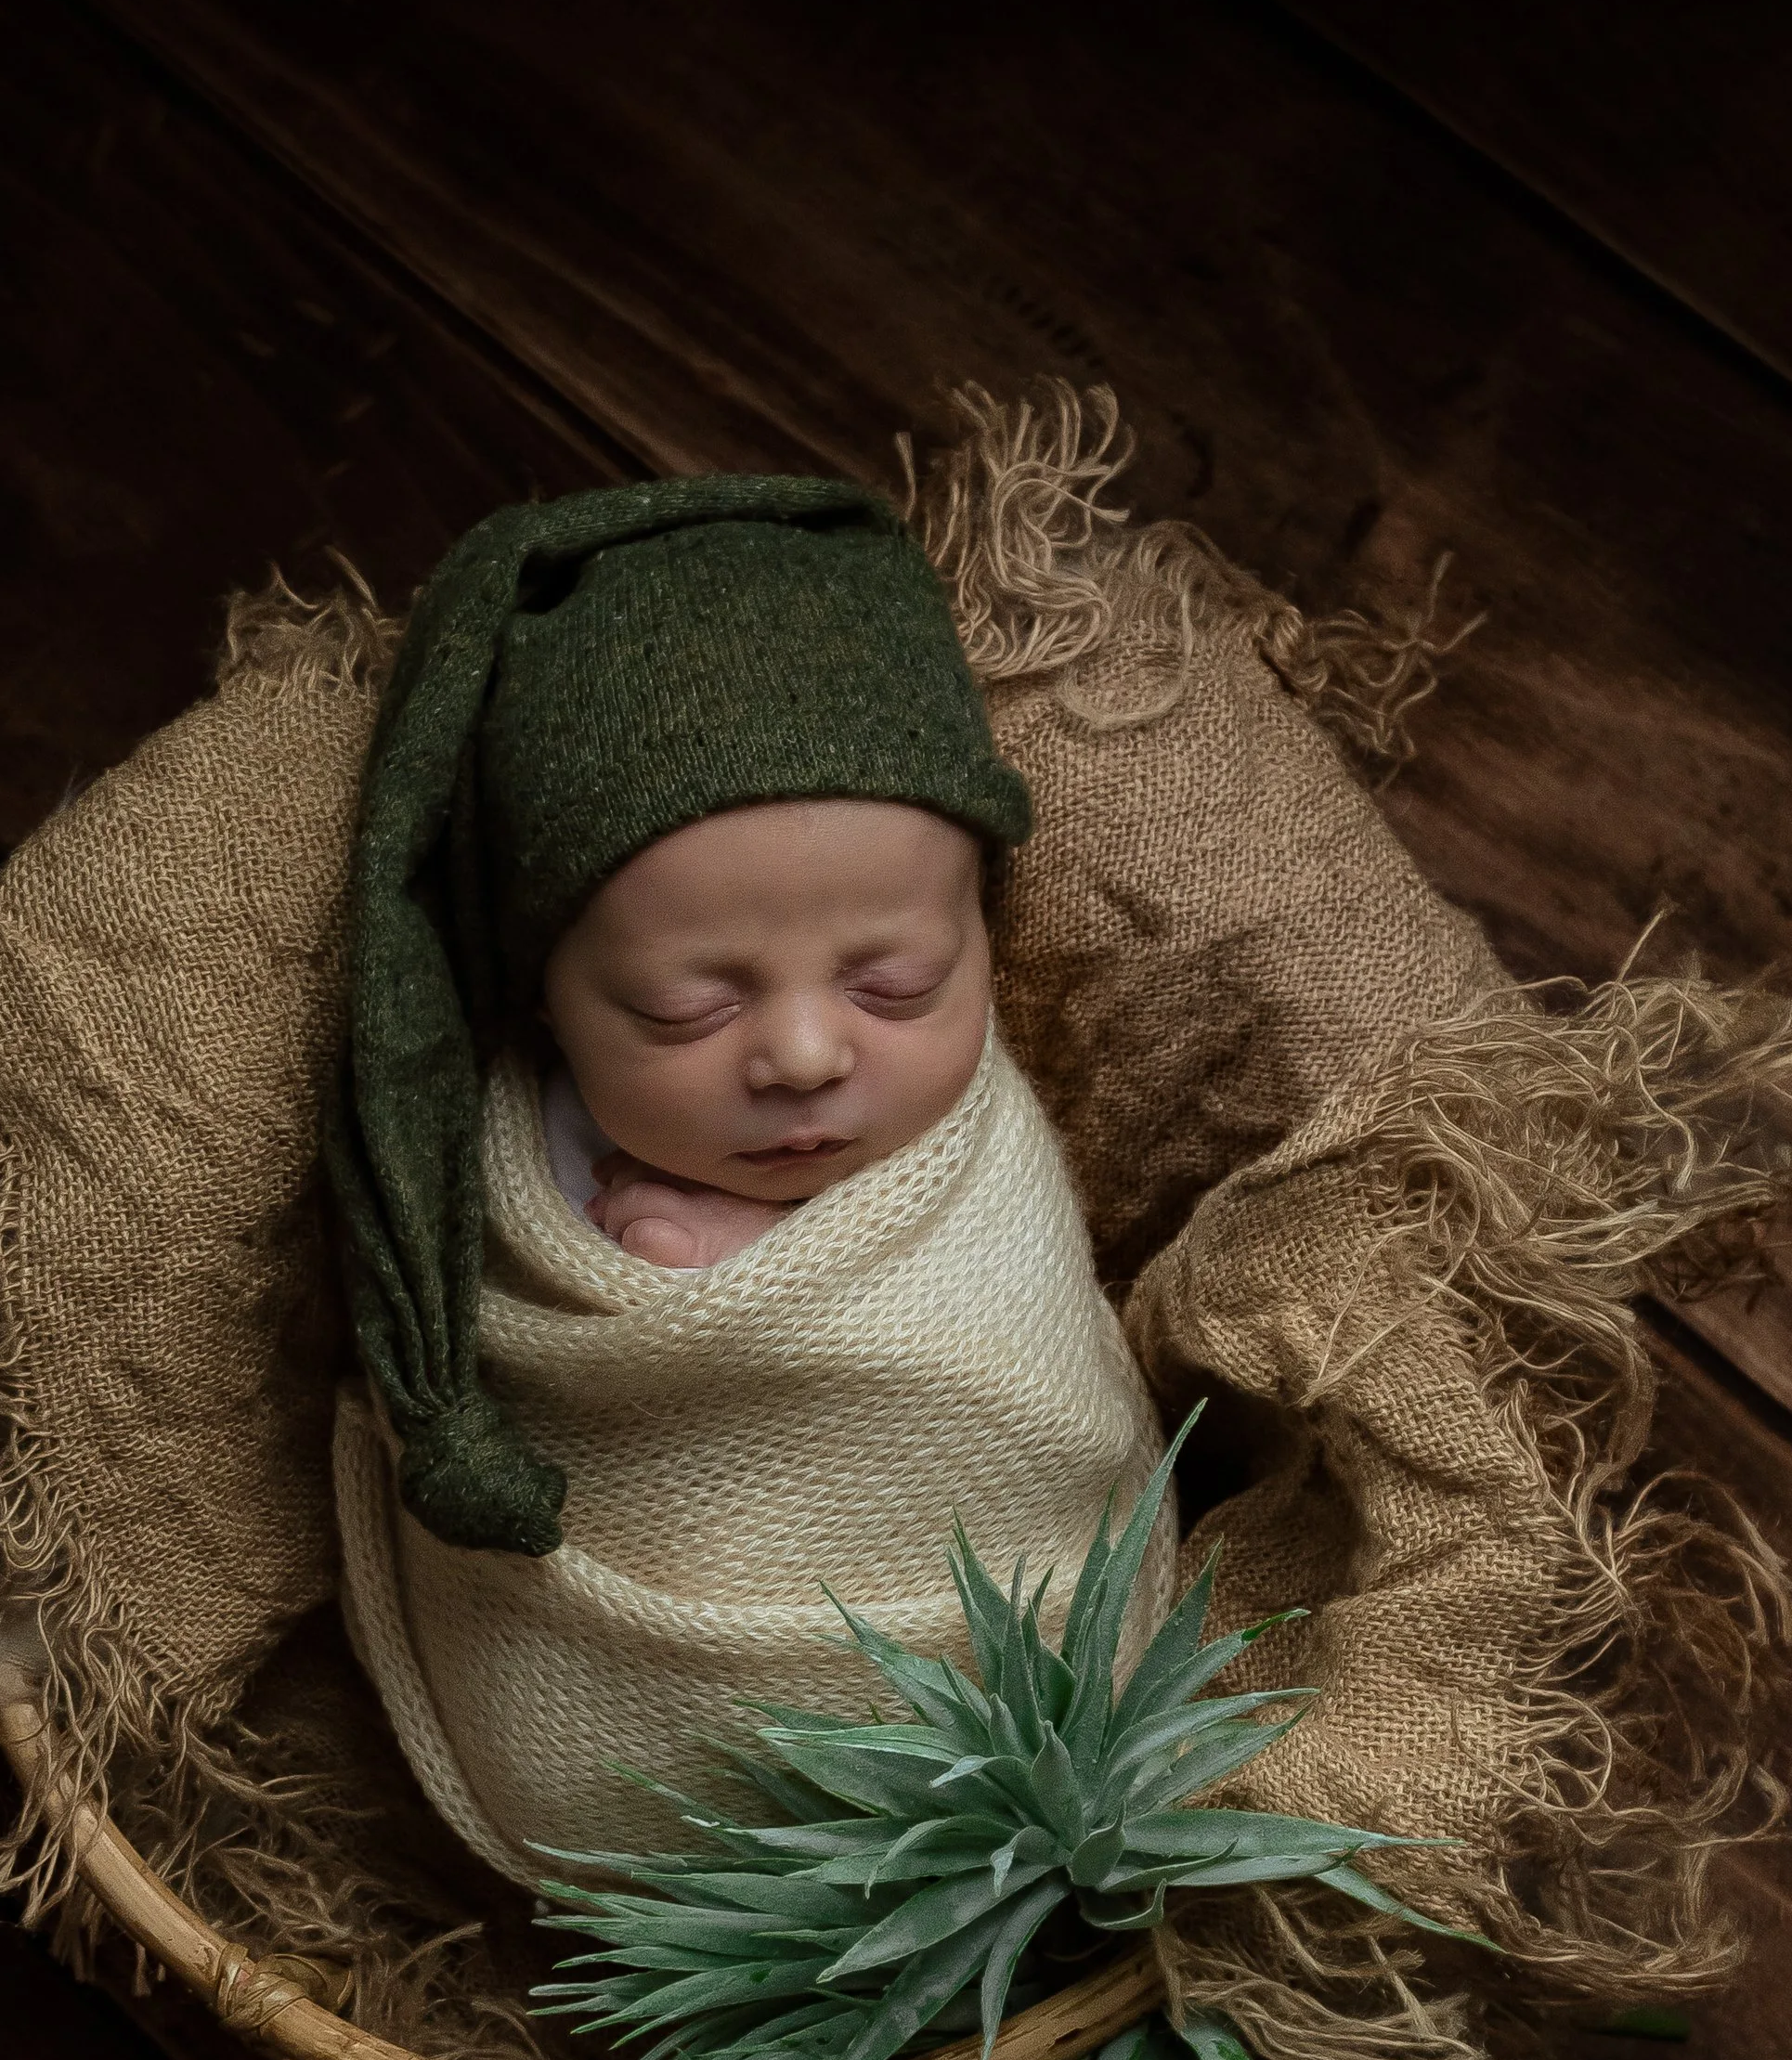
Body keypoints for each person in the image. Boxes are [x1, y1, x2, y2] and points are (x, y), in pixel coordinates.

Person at [327, 473, 1170, 1881]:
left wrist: (753, 1271)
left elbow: (1024, 1392)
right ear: (542, 996)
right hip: (616, 1712)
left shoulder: (976, 1148)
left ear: (980, 927)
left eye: (897, 983)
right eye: (685, 1010)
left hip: (996, 1742)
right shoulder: (487, 1162)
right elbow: (465, 1377)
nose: (803, 1055)